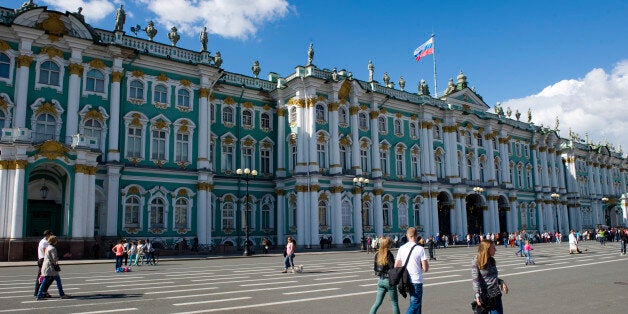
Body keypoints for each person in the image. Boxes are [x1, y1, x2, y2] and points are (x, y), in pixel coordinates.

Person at [395, 227, 429, 314]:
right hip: (416, 280)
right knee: (415, 304)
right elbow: (425, 268)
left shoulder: (401, 248)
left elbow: (396, 266)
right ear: (417, 235)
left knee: (416, 304)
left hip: (405, 279)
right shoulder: (420, 249)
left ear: (407, 236)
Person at [471, 239, 509, 314]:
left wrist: (501, 282)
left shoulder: (491, 260)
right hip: (483, 296)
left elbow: (492, 277)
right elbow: (476, 280)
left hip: (495, 295)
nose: (495, 250)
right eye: (493, 248)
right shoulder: (476, 261)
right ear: (487, 249)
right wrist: (477, 295)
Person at [369, 237, 399, 314]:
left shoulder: (377, 254)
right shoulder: (389, 254)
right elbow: (392, 269)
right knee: (394, 303)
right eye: (390, 243)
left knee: (377, 303)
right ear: (388, 245)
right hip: (389, 281)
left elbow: (375, 269)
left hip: (381, 280)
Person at [36, 236, 71, 300]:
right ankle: (62, 294)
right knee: (58, 281)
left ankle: (39, 295)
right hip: (51, 268)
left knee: (45, 281)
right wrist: (63, 256)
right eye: (56, 240)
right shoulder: (53, 248)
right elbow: (54, 259)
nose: (57, 241)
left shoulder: (48, 247)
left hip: (47, 267)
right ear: (54, 241)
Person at [34, 230, 53, 298]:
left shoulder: (43, 241)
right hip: (43, 260)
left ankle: (39, 292)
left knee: (42, 277)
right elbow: (46, 253)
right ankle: (42, 291)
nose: (51, 236)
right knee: (48, 276)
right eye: (50, 234)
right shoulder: (45, 242)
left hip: (42, 260)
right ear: (47, 235)